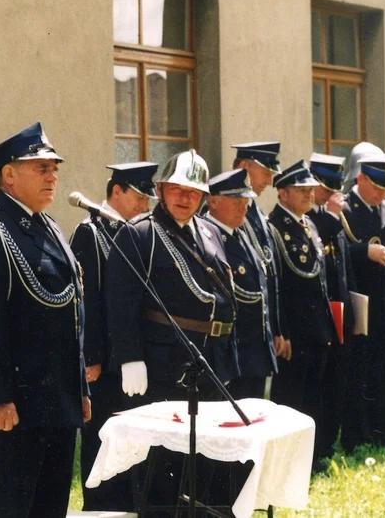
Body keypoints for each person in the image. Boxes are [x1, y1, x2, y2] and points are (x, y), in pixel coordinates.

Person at [0, 122, 91, 518]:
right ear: (9, 175)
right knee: (9, 507)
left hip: (56, 400)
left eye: (54, 168)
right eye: (41, 168)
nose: (53, 176)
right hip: (15, 402)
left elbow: (71, 315)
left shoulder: (49, 226)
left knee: (49, 508)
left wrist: (78, 387)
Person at [106, 149, 239, 516]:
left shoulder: (210, 232)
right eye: (177, 189)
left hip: (210, 362)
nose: (185, 198)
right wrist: (129, 358)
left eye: (193, 192)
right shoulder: (139, 234)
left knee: (207, 462)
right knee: (161, 470)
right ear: (161, 190)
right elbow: (119, 302)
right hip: (163, 366)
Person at [70, 162, 157, 512]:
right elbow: (85, 298)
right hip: (103, 364)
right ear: (116, 192)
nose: (144, 206)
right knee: (102, 441)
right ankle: (101, 508)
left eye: (147, 199)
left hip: (129, 359)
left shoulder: (132, 234)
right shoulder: (92, 232)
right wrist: (90, 356)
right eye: (138, 197)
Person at [203, 168, 276, 504]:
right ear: (213, 201)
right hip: (233, 352)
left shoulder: (239, 234)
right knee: (228, 433)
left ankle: (242, 497)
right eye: (236, 200)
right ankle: (225, 499)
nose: (244, 207)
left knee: (250, 428)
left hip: (253, 349)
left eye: (246, 200)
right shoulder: (209, 236)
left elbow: (260, 288)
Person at [341, 151, 385, 448]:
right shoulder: (344, 208)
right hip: (359, 306)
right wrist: (363, 252)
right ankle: (356, 436)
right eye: (378, 186)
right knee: (359, 371)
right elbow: (335, 253)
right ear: (360, 178)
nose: (384, 193)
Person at [267, 161, 338, 462]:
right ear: (283, 194)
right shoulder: (274, 228)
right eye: (301, 190)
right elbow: (276, 285)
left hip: (317, 328)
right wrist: (281, 331)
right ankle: (289, 462)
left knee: (314, 397)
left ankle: (311, 458)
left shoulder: (307, 224)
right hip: (294, 332)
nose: (309, 194)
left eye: (311, 189)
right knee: (291, 400)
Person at [307, 154, 357, 461]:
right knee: (318, 387)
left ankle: (328, 444)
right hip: (316, 318)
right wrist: (334, 216)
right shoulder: (312, 218)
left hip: (338, 312)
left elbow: (343, 266)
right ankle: (317, 448)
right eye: (326, 188)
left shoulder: (332, 216)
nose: (331, 195)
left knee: (337, 384)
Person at [232, 142, 291, 363]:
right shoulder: (220, 207)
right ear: (244, 167)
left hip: (261, 335)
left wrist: (277, 329)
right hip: (239, 335)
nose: (269, 181)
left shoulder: (257, 211)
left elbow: (271, 277)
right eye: (265, 173)